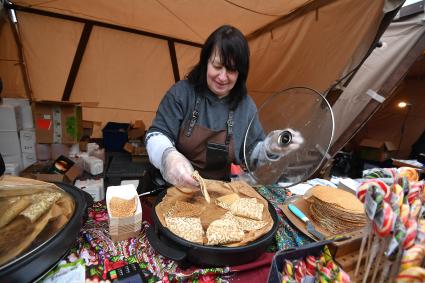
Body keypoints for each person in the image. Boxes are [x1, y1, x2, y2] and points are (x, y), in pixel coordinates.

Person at [145, 25, 302, 191]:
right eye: (217, 66)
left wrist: (270, 148)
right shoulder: (182, 93)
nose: (222, 77)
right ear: (206, 62)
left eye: (232, 70)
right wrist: (169, 157)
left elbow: (250, 158)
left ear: (241, 73)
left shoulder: (245, 107)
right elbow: (156, 135)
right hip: (168, 189)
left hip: (214, 196)